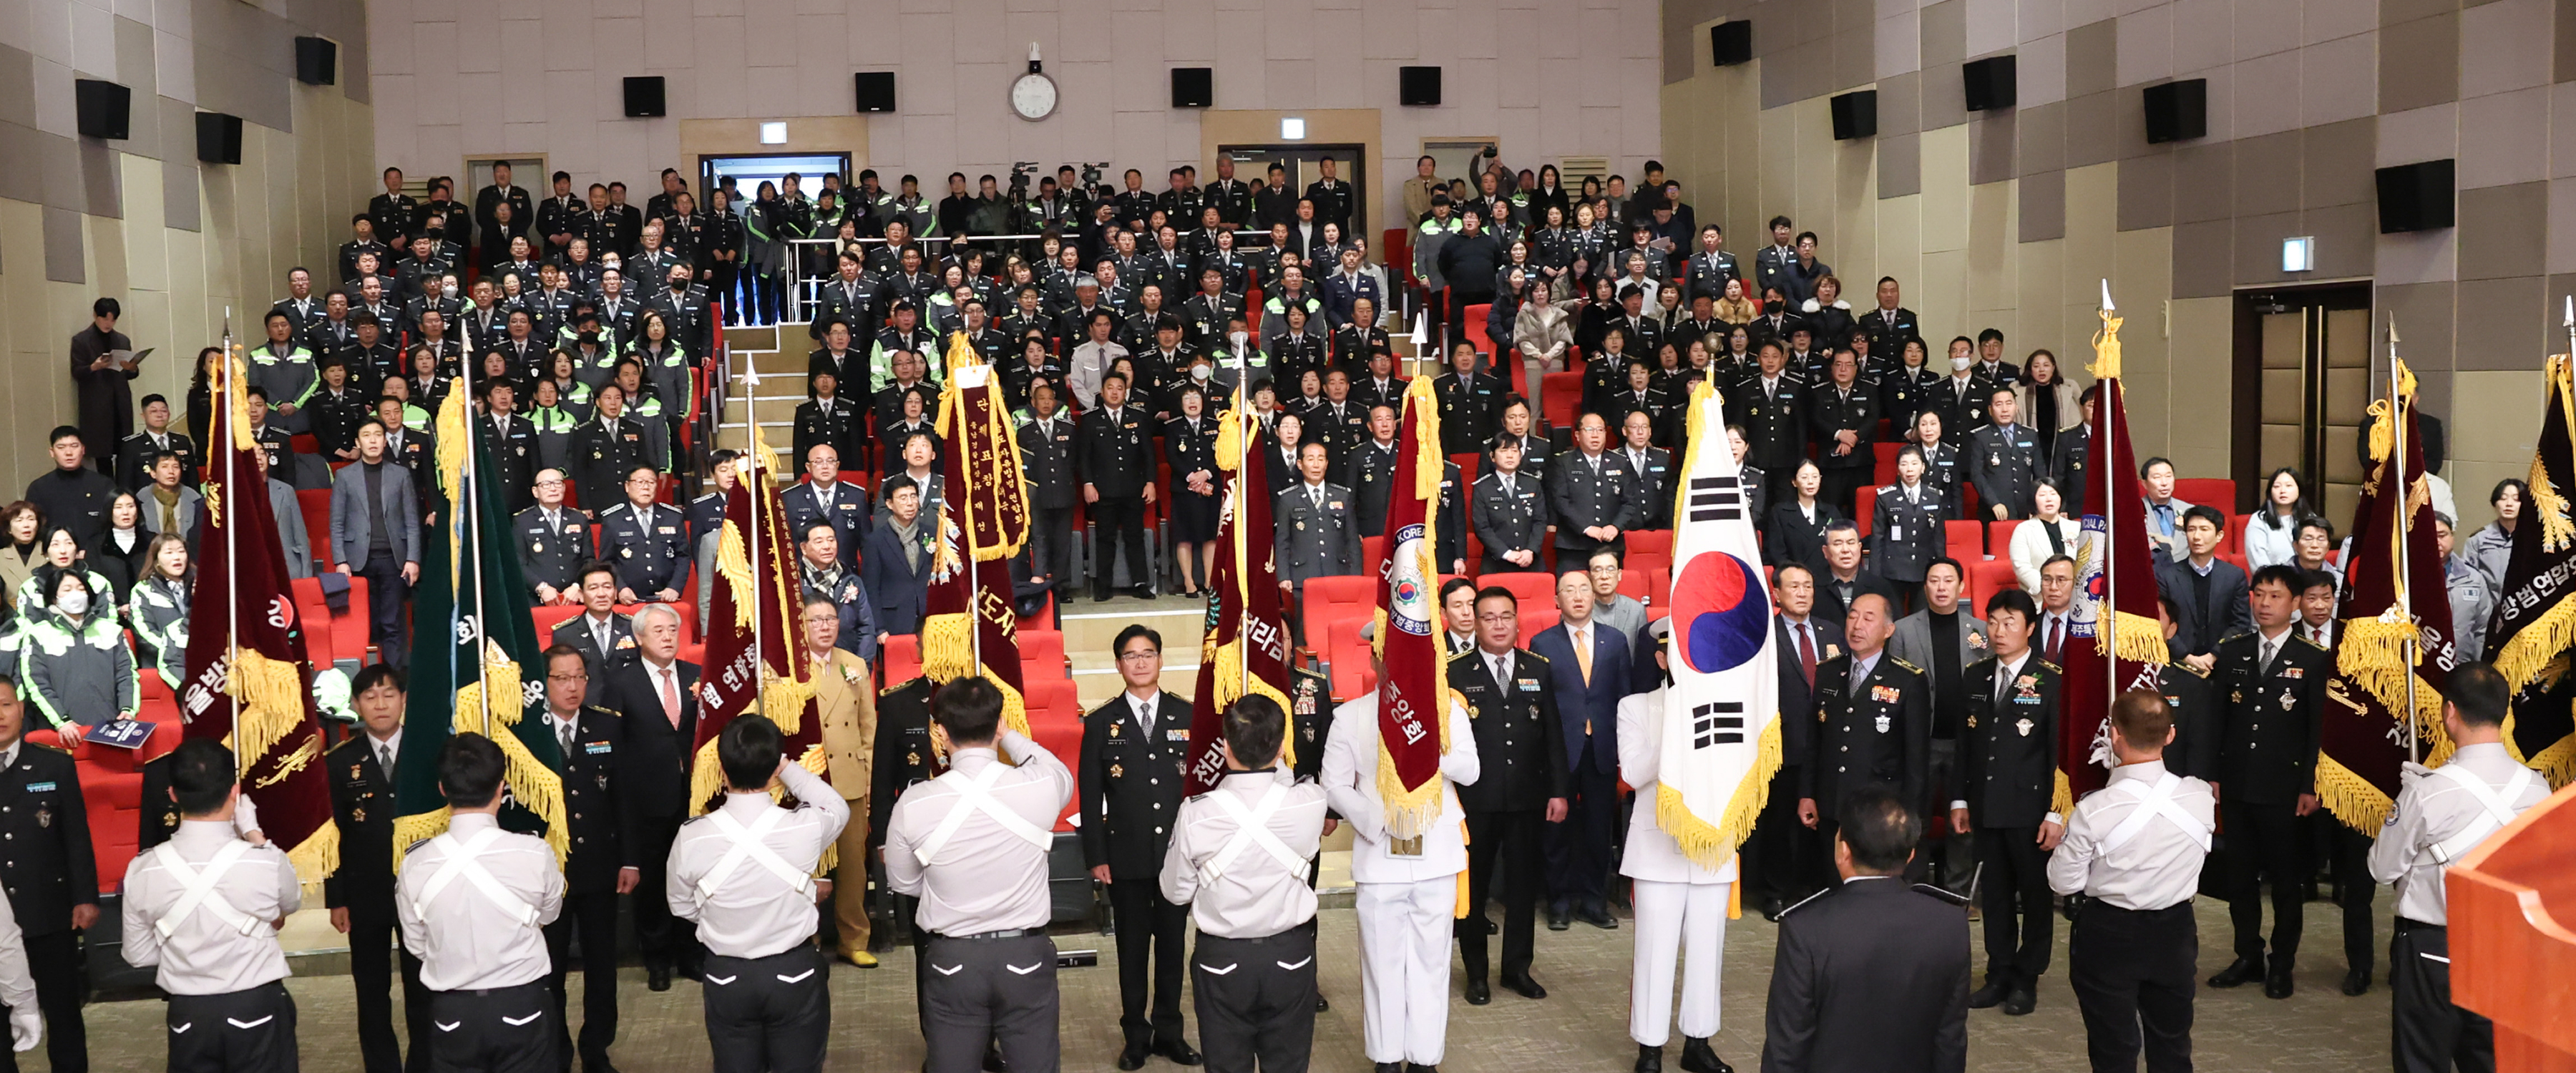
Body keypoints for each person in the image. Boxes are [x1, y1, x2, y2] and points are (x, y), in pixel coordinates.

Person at [884, 676, 1077, 1073]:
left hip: (953, 958)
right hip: (1025, 954)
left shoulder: (916, 802)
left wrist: (948, 889)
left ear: (940, 731)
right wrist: (1008, 736)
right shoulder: (1039, 785)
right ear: (999, 723)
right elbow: (1056, 769)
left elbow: (904, 884)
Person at [2367, 662, 2548, 1073]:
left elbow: (2381, 868)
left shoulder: (2428, 791)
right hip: (2510, 946)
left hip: (2435, 948)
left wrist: (2409, 797)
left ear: (2450, 712)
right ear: (2504, 713)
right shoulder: (2538, 788)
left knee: (2422, 1063)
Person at [1319, 624, 1480, 1073]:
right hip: (1379, 855)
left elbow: (1470, 771)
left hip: (1437, 853)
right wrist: (1374, 821)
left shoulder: (1449, 711)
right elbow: (1333, 785)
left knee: (1432, 963)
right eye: (1389, 655)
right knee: (1381, 963)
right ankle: (1387, 1057)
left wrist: (1428, 745)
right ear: (1373, 660)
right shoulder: (1350, 716)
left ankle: (1425, 1058)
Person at [667, 715, 848, 1073]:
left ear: (721, 768)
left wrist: (726, 917)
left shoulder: (693, 835)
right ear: (773, 770)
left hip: (725, 974)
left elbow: (681, 904)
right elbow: (837, 807)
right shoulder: (805, 827)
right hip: (793, 970)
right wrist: (786, 767)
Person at [1158, 693, 1329, 1073]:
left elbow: (1175, 892)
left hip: (1222, 960)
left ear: (1224, 747)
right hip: (1291, 953)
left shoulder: (1196, 814)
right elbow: (1284, 779)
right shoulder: (1311, 802)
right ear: (1283, 747)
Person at [2049, 690, 2217, 1073]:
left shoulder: (2095, 808)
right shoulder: (2200, 796)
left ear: (2114, 734)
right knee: (2173, 1044)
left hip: (2110, 933)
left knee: (2113, 1049)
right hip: (2175, 931)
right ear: (2170, 735)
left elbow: (2063, 882)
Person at [119, 739, 300, 1073]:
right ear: (235, 793)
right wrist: (254, 833)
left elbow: (138, 955)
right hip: (255, 1001)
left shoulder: (143, 869)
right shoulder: (265, 861)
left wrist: (190, 952)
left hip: (188, 1010)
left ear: (172, 795)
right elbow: (290, 903)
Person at [1760, 785, 1968, 1073]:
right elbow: (1950, 1042)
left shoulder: (1805, 928)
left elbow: (1787, 1049)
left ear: (1843, 852)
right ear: (1910, 855)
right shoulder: (1950, 923)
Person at [398, 733, 568, 1073]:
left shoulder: (415, 862)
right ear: (502, 787)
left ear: (443, 790)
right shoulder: (533, 852)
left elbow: (416, 943)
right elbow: (550, 913)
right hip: (522, 1002)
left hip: (451, 1010)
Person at [1613, 618, 1738, 1073]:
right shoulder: (1636, 707)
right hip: (1656, 848)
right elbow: (1634, 772)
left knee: (1708, 949)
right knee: (1654, 949)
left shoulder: (1728, 707)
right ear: (1663, 660)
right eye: (1679, 656)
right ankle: (1649, 1048)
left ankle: (1698, 1042)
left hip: (1711, 845)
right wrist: (1681, 721)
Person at [1079, 626, 1204, 1069]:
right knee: (1132, 951)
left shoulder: (1188, 716)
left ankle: (1170, 1031)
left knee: (1172, 948)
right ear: (1118, 665)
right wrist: (1096, 856)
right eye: (1130, 656)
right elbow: (1090, 797)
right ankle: (1136, 1036)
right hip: (1125, 859)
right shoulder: (1099, 722)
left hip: (1176, 857)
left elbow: (1201, 791)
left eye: (1148, 654)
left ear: (1161, 660)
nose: (1140, 662)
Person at [2205, 564, 2329, 999]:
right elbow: (2216, 720)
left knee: (2284, 882)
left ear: (2295, 604)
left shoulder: (2313, 659)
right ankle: (2247, 956)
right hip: (2237, 785)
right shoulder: (2235, 651)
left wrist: (2311, 786)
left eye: (2275, 596)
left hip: (2285, 790)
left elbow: (2317, 731)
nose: (2263, 603)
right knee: (2239, 880)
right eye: (2258, 594)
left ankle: (2283, 962)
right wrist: (2213, 777)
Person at [1948, 589, 2062, 1016]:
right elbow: (1966, 744)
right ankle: (1998, 973)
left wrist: (2056, 811)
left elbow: (2057, 752)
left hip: (2031, 809)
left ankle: (2026, 977)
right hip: (1986, 805)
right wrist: (1959, 798)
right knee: (1994, 896)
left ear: (2031, 628)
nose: (1999, 631)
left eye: (2010, 622)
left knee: (2034, 896)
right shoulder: (1976, 676)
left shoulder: (2052, 678)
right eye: (1993, 622)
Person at [1450, 588, 1566, 1004]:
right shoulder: (1455, 673)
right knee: (1474, 892)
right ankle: (1476, 974)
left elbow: (1553, 734)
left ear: (1518, 622)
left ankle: (1517, 969)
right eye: (1488, 618)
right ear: (1474, 624)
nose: (1498, 625)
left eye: (1505, 617)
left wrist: (1559, 791)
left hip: (1526, 800)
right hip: (1473, 803)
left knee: (1522, 889)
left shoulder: (1540, 668)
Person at [524, 645, 628, 1073]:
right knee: (549, 970)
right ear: (544, 682)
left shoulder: (607, 725)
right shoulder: (529, 732)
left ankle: (596, 1048)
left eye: (580, 677)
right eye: (562, 678)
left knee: (602, 966)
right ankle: (556, 1051)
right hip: (547, 873)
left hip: (600, 867)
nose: (572, 687)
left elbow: (624, 799)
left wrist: (631, 860)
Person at [323, 666, 430, 1073]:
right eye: (370, 697)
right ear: (355, 706)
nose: (380, 704)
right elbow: (333, 835)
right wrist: (337, 898)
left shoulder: (428, 751)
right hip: (364, 894)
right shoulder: (339, 761)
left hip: (421, 892)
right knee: (371, 991)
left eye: (388, 694)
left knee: (423, 987)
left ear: (404, 699)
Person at [606, 604, 703, 990]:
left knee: (693, 876)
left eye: (672, 629)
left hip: (693, 796)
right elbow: (616, 745)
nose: (667, 636)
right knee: (655, 883)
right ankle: (657, 959)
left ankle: (691, 953)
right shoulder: (620, 682)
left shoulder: (697, 676)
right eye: (658, 630)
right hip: (646, 797)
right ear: (640, 638)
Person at [1799, 593, 1929, 876]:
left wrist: (1909, 814)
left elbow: (1916, 759)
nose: (1857, 625)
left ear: (1888, 629)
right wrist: (1808, 794)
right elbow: (1815, 741)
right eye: (1853, 616)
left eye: (1868, 618)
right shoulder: (1828, 672)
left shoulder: (1907, 680)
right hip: (1832, 802)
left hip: (1880, 810)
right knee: (1832, 886)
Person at [0, 672, 92, 1073]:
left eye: (4, 705)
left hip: (49, 912)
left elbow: (76, 837)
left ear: (21, 709)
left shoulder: (53, 765)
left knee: (65, 1015)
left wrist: (85, 896)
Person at [1530, 572, 1630, 931]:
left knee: (1598, 830)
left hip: (1601, 748)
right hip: (1559, 751)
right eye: (1568, 590)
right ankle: (1559, 902)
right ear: (1557, 600)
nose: (1577, 596)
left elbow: (1625, 699)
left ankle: (1593, 901)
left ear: (1594, 596)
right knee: (1557, 829)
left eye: (1584, 589)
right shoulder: (1542, 643)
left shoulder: (1615, 641)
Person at [800, 597, 880, 966]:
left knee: (852, 866)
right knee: (807, 866)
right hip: (809, 780)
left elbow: (868, 726)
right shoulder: (790, 669)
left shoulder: (854, 664)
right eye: (816, 620)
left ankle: (854, 938)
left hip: (849, 778)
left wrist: (867, 777)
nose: (825, 626)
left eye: (831, 618)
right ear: (802, 625)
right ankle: (807, 937)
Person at [330, 420, 424, 667]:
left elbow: (412, 522)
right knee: (366, 623)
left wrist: (413, 559)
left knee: (393, 622)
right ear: (357, 443)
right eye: (366, 436)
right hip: (358, 560)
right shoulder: (344, 476)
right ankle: (370, 678)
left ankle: (397, 679)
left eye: (377, 435)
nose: (372, 440)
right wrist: (340, 561)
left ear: (385, 441)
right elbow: (336, 523)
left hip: (394, 560)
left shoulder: (401, 474)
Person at [1082, 371, 1159, 600]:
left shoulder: (1139, 417)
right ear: (1102, 391)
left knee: (1135, 538)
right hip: (1103, 491)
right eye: (1110, 388)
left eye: (1119, 388)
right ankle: (1103, 586)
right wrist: (1088, 484)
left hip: (1134, 489)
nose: (1115, 392)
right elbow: (1084, 457)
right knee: (1105, 539)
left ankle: (1140, 583)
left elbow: (1149, 454)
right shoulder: (1091, 419)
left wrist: (1150, 482)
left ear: (1125, 392)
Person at [2155, 506, 2249, 668]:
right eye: (2191, 530)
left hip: (2221, 663)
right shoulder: (2167, 576)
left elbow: (2240, 624)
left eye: (2204, 529)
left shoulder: (2234, 576)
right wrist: (2187, 657)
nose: (2197, 536)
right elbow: (2161, 623)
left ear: (2219, 535)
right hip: (2177, 663)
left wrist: (2214, 655)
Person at [597, 465, 689, 604]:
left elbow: (683, 556)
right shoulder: (613, 520)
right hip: (629, 598)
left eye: (651, 482)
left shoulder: (672, 517)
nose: (646, 487)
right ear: (627, 486)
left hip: (665, 597)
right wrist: (620, 588)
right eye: (640, 482)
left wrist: (674, 588)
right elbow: (607, 561)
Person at [24, 428, 117, 550]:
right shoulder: (38, 488)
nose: (69, 452)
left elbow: (113, 524)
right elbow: (34, 528)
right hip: (55, 557)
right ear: (52, 452)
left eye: (74, 446)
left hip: (98, 557)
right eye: (61, 447)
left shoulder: (103, 484)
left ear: (83, 450)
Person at [1470, 436, 1547, 574]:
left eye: (1514, 451)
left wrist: (1530, 550)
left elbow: (1540, 521)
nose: (1510, 456)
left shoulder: (1532, 484)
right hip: (1496, 563)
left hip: (1531, 561)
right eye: (1504, 451)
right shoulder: (1482, 488)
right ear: (1492, 456)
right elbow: (1482, 528)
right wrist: (1506, 553)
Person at [1968, 387, 2041, 521]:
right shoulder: (1981, 437)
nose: (2005, 409)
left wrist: (2036, 506)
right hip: (1994, 510)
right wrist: (1993, 503)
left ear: (2016, 407)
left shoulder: (2030, 435)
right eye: (1999, 404)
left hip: (2026, 510)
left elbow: (2040, 475)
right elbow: (1977, 475)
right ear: (1990, 410)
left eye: (2009, 403)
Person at [2006, 479, 2081, 594]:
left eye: (2053, 494)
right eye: (2042, 495)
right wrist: (2049, 589)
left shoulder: (2077, 528)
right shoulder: (2024, 530)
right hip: (2041, 597)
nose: (2049, 499)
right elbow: (2022, 567)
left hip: (2076, 596)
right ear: (2033, 500)